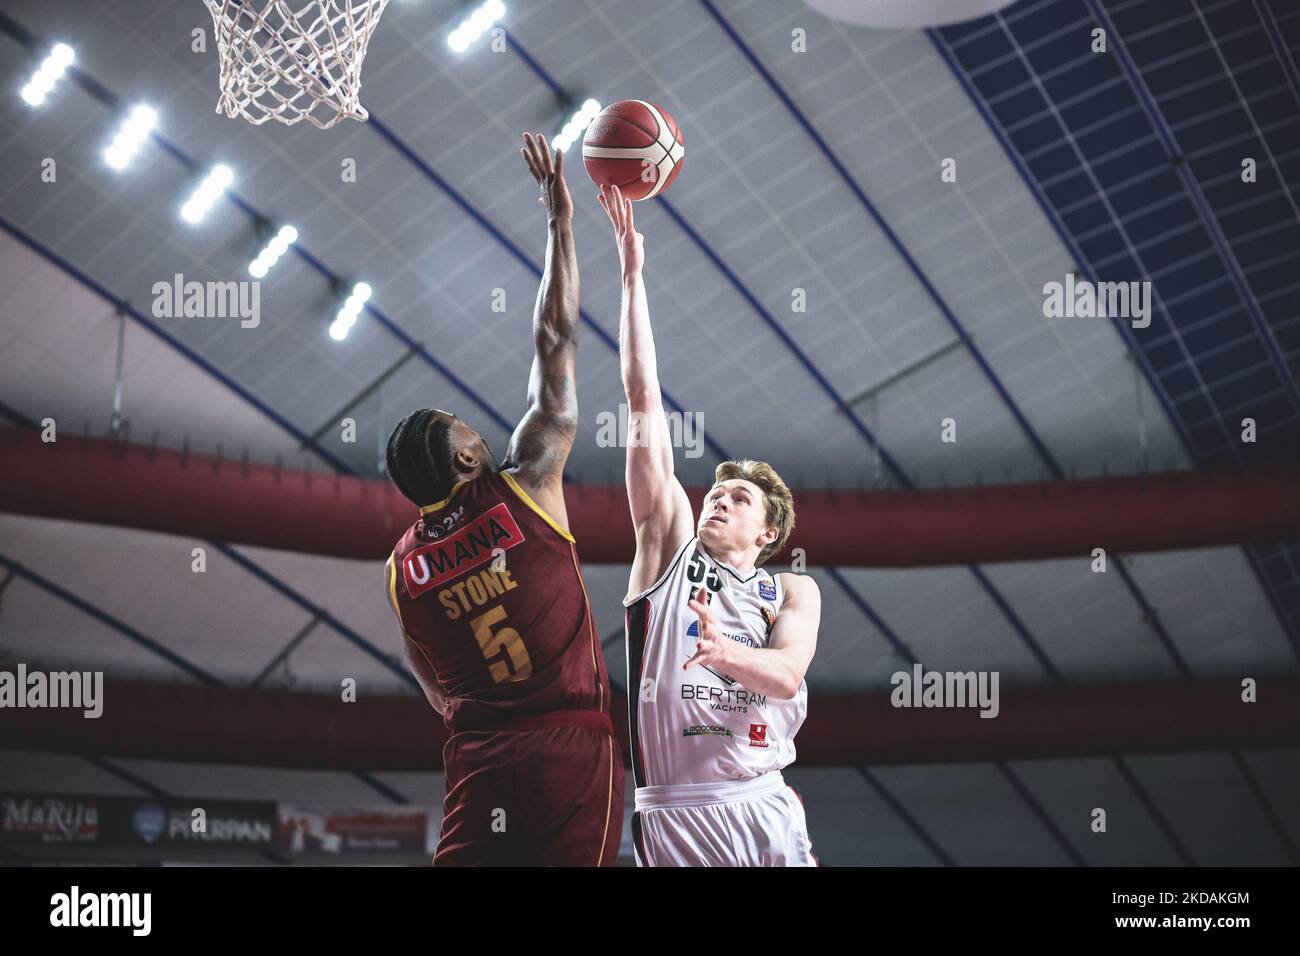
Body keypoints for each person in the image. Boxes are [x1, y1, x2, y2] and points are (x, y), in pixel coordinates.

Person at [382, 135, 622, 866]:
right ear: (463, 456)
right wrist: (560, 221)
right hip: (571, 751)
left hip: (480, 760)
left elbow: (438, 693)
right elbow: (556, 338)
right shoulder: (528, 484)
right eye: (465, 426)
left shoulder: (402, 570)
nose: (477, 429)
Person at [597, 183, 822, 867]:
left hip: (764, 799)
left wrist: (723, 653)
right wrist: (632, 275)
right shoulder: (666, 541)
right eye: (715, 492)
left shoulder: (792, 593)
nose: (717, 501)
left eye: (739, 500)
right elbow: (642, 393)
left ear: (767, 533)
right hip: (678, 813)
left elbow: (785, 677)